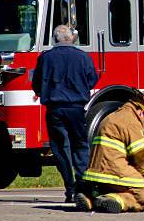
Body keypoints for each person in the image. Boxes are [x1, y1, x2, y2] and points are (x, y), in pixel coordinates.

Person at [31, 25, 98, 202]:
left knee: (61, 149)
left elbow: (36, 83)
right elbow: (92, 80)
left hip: (54, 110)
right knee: (80, 145)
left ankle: (70, 187)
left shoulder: (45, 58)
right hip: (76, 109)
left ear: (55, 39)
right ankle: (82, 185)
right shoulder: (83, 57)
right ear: (71, 39)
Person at [75, 90, 144, 213]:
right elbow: (141, 154)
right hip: (112, 171)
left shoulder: (113, 115)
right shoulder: (131, 121)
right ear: (142, 111)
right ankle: (116, 200)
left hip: (94, 174)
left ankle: (90, 198)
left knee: (116, 186)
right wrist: (143, 174)